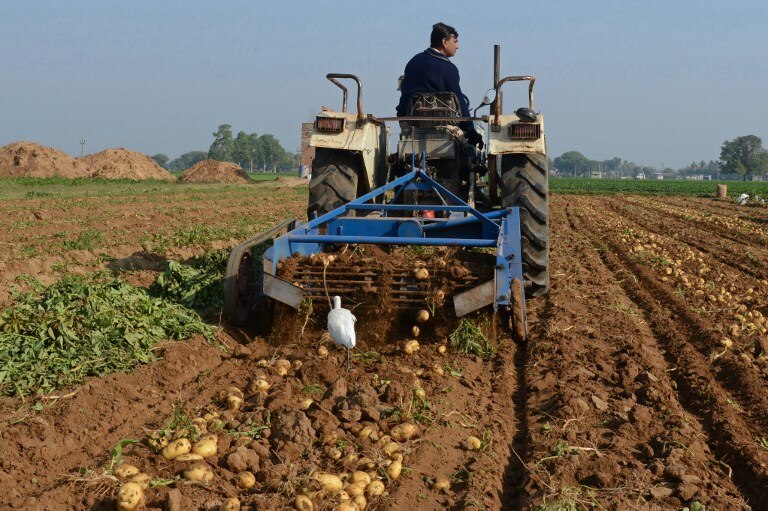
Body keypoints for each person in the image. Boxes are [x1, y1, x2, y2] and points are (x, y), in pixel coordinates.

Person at [396, 22, 483, 149]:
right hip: (440, 127)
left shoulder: (413, 61)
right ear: (444, 42)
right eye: (455, 41)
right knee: (465, 150)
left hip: (409, 123)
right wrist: (472, 132)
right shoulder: (448, 68)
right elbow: (458, 100)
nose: (457, 46)